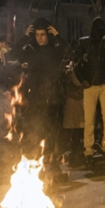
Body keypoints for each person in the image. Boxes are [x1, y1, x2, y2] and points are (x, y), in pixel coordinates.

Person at [13, 18, 69, 169]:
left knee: (53, 130)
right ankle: (37, 160)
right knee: (37, 128)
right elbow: (15, 52)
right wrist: (25, 37)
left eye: (43, 34)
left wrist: (58, 36)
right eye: (37, 34)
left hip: (53, 97)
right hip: (36, 98)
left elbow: (68, 50)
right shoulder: (31, 50)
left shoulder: (54, 50)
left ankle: (52, 160)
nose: (39, 38)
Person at [73, 17, 105, 168]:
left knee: (102, 119)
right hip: (94, 84)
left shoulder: (99, 42)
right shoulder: (92, 42)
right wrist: (83, 79)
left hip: (97, 84)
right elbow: (76, 63)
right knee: (96, 119)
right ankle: (93, 149)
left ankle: (98, 148)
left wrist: (85, 79)